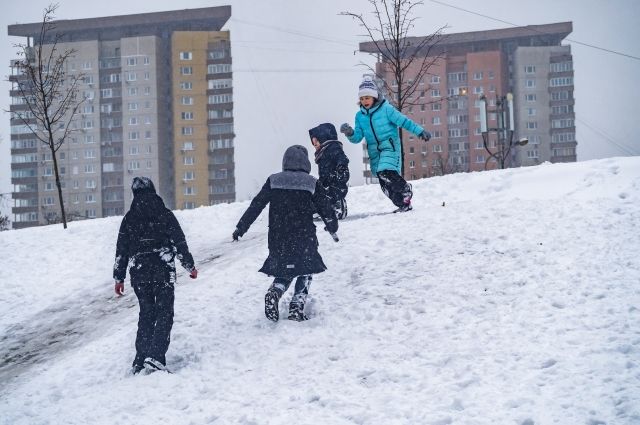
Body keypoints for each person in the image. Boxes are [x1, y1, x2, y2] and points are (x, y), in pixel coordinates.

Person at [232, 145, 338, 322]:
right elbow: (326, 209)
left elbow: (256, 205)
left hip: (278, 237)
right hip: (304, 236)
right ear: (305, 162)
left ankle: (275, 291)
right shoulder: (311, 182)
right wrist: (332, 226)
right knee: (306, 269)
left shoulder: (274, 180)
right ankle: (297, 305)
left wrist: (241, 227)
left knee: (285, 267)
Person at [113, 177, 198, 374]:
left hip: (139, 272)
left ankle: (140, 359)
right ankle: (156, 356)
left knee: (146, 314)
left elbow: (121, 250)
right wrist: (189, 265)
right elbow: (179, 242)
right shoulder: (164, 214)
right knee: (164, 314)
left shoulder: (129, 219)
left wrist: (119, 277)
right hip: (163, 269)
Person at [340, 74, 432, 212]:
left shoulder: (386, 109)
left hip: (390, 147)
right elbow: (357, 138)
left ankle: (405, 188)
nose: (365, 101)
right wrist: (350, 133)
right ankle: (403, 203)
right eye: (362, 98)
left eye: (367, 97)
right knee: (385, 185)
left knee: (385, 171)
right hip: (375, 153)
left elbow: (404, 121)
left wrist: (419, 131)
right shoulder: (359, 116)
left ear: (374, 96)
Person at [309, 122, 350, 220]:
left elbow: (342, 157)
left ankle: (338, 207)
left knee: (332, 194)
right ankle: (318, 209)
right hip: (326, 180)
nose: (315, 145)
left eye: (316, 141)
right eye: (313, 143)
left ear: (323, 138)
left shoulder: (333, 147)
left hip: (335, 178)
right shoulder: (322, 152)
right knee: (319, 194)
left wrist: (341, 167)